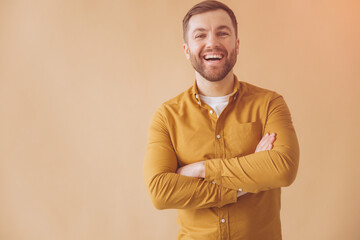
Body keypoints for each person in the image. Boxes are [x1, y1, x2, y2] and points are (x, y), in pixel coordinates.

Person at [143, 1, 299, 239]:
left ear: (236, 44)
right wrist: (249, 176)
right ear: (187, 49)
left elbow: (283, 169)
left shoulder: (269, 104)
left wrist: (200, 169)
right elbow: (160, 192)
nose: (212, 42)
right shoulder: (167, 117)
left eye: (222, 33)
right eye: (200, 35)